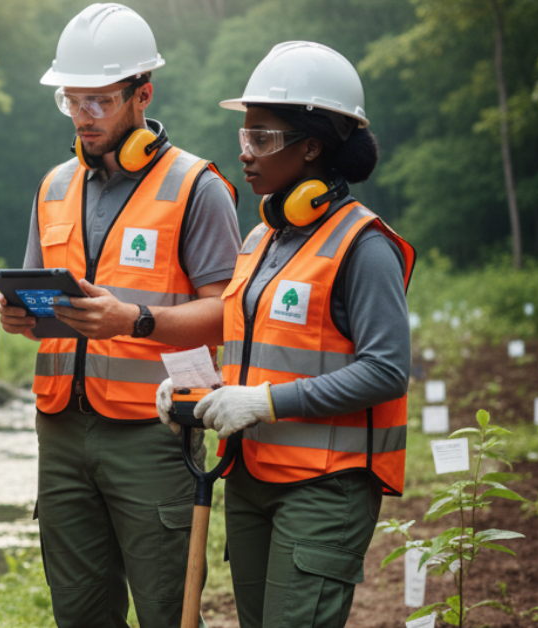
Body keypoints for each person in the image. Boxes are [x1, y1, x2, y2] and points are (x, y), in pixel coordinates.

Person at [0, 4, 241, 626]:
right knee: (78, 613)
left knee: (166, 608)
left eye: (99, 100)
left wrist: (133, 320)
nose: (83, 116)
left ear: (142, 94)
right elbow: (41, 297)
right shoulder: (52, 186)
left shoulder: (197, 186)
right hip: (60, 430)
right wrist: (23, 317)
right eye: (72, 101)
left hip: (155, 433)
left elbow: (226, 316)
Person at [157, 41, 416, 628]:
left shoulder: (364, 245)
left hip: (326, 487)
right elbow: (259, 358)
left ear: (312, 147)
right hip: (251, 475)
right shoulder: (259, 241)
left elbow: (386, 370)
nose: (245, 154)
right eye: (244, 136)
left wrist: (266, 402)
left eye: (263, 139)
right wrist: (196, 396)